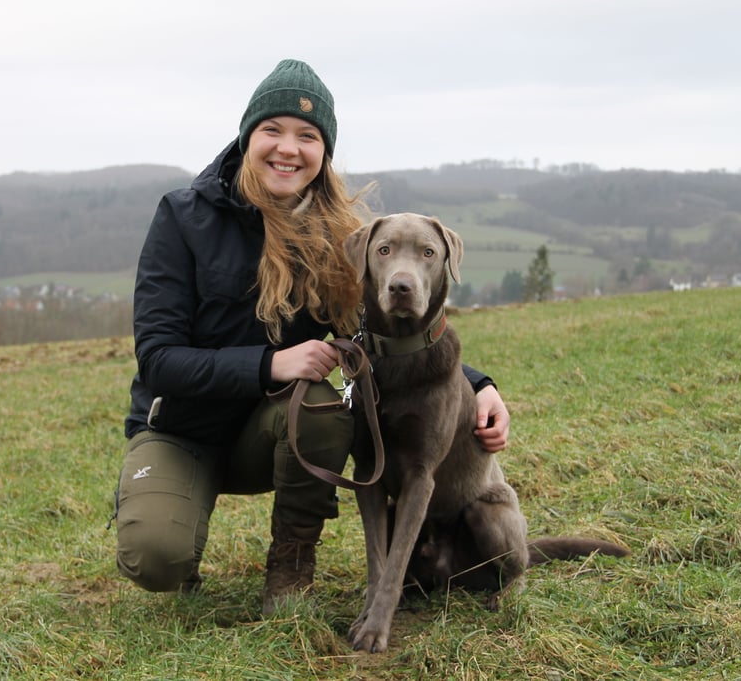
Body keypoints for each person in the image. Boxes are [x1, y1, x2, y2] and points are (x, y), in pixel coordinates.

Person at [113, 58, 510, 616]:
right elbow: (158, 360)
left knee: (328, 407)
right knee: (157, 557)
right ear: (248, 137)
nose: (287, 148)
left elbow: (375, 331)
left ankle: (291, 564)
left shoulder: (333, 240)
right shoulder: (183, 216)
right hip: (184, 430)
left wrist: (478, 385)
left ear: (323, 154)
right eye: (272, 130)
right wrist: (270, 365)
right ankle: (170, 511)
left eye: (307, 136)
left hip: (270, 435)